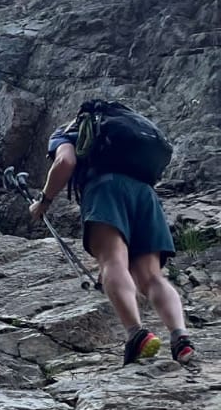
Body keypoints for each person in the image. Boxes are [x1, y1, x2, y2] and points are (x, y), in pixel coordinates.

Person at [32, 118, 195, 365]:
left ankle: (137, 334)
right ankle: (180, 337)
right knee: (152, 276)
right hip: (146, 194)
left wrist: (43, 201)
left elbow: (65, 162)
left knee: (113, 261)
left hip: (105, 189)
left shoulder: (67, 132)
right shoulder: (123, 130)